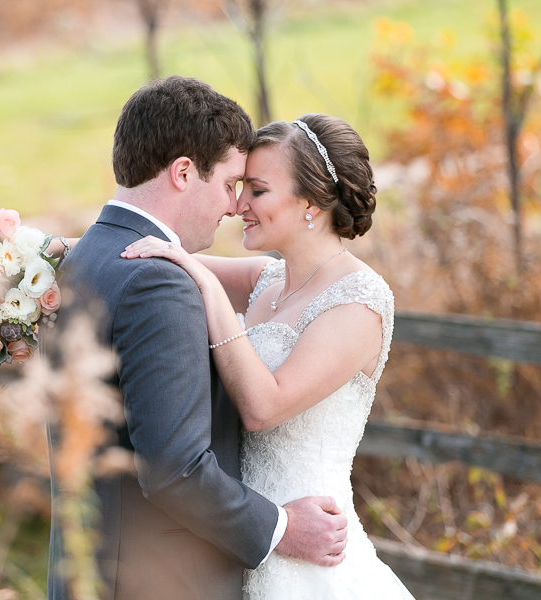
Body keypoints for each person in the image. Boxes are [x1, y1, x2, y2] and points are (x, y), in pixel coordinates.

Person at [46, 78, 349, 600]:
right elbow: (173, 470)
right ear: (184, 172)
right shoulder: (156, 281)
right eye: (232, 183)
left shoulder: (85, 256)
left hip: (91, 568)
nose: (235, 206)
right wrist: (282, 527)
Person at [122, 113, 415, 599]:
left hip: (310, 551)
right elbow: (141, 253)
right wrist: (32, 251)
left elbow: (263, 408)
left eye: (256, 190)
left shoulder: (360, 300)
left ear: (311, 202)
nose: (238, 205)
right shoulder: (268, 279)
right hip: (241, 538)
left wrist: (210, 291)